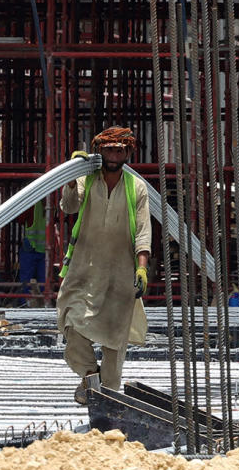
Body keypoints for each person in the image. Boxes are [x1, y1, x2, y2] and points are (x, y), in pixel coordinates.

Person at [57, 125, 151, 404]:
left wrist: (141, 267)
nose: (114, 154)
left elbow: (143, 232)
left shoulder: (137, 188)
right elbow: (70, 206)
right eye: (109, 149)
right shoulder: (88, 180)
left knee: (114, 344)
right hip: (84, 272)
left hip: (120, 277)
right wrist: (72, 177)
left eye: (119, 150)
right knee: (71, 325)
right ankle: (89, 376)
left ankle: (105, 402)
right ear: (100, 151)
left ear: (128, 153)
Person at [17, 201, 48, 305]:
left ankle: (24, 304)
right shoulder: (51, 204)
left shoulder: (32, 202)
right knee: (43, 281)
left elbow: (20, 219)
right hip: (44, 248)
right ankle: (44, 304)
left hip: (31, 246)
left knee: (26, 279)